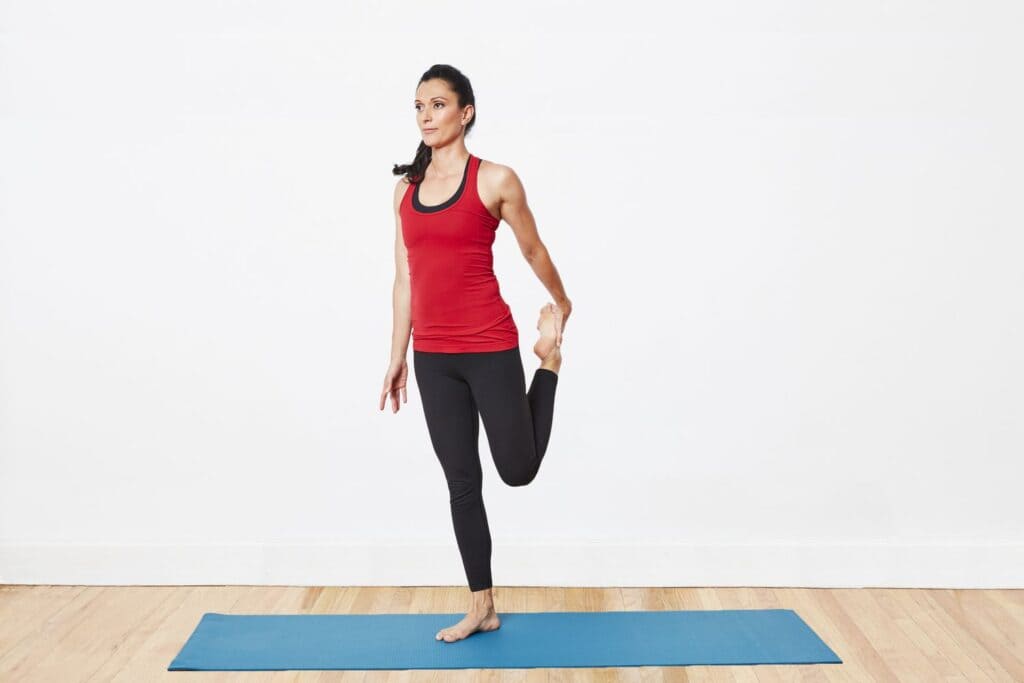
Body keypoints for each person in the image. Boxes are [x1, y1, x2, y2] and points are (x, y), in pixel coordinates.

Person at [379, 64, 572, 643]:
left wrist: (560, 304)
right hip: (434, 357)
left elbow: (533, 247)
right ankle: (481, 604)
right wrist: (398, 354)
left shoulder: (495, 180)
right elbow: (404, 279)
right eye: (418, 107)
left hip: (489, 344)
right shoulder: (405, 190)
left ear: (465, 113)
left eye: (437, 105)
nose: (425, 116)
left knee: (517, 470)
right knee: (462, 482)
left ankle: (551, 364)